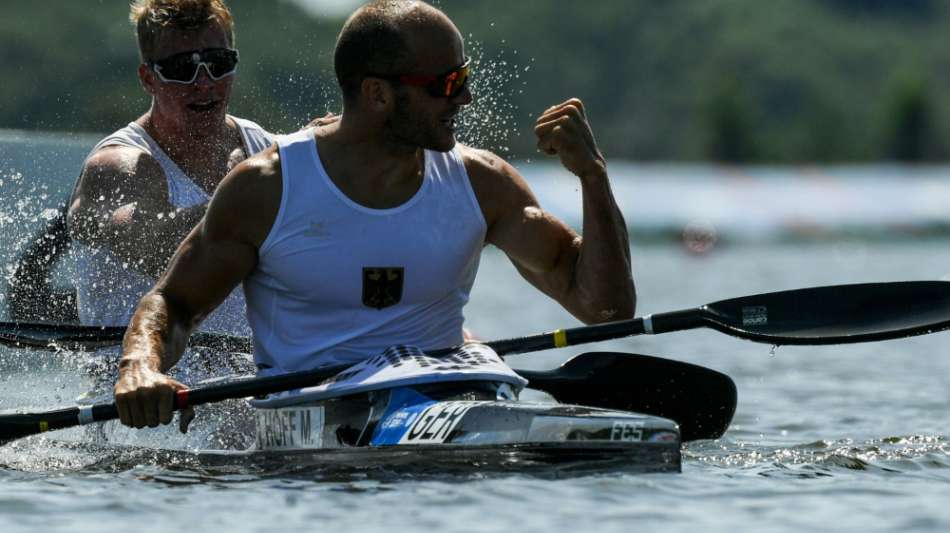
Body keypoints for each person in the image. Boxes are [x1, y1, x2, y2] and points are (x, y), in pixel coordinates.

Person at [114, 0, 636, 432]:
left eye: (465, 77)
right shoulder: (267, 188)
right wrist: (140, 366)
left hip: (450, 396)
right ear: (378, 93)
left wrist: (593, 177)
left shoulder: (483, 184)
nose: (467, 97)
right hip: (315, 416)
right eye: (447, 83)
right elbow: (173, 304)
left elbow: (605, 309)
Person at [65, 0, 273, 337]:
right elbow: (155, 249)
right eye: (181, 68)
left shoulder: (262, 147)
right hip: (138, 380)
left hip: (251, 378)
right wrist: (254, 193)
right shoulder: (117, 166)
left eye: (218, 64)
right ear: (148, 78)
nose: (204, 82)